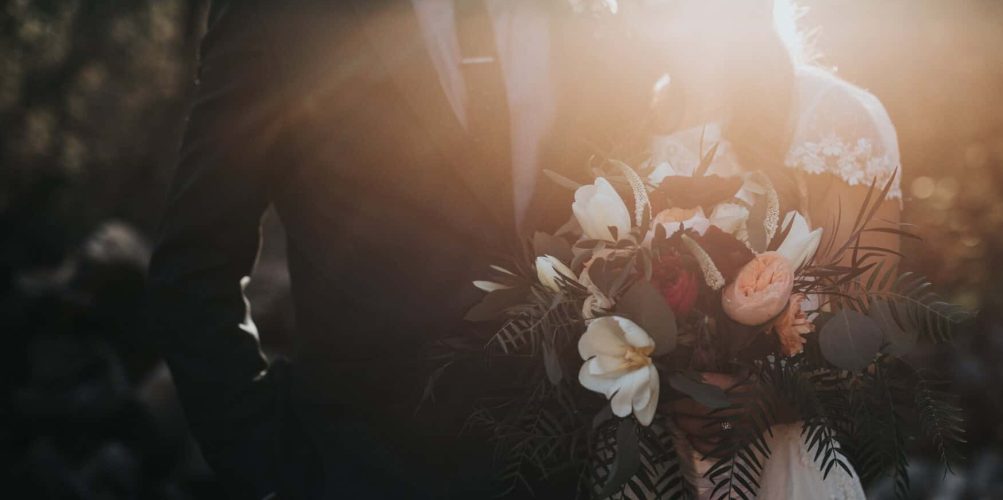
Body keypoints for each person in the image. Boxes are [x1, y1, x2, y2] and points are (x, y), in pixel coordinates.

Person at [147, 0, 588, 497]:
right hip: (361, 471)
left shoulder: (593, 18)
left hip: (570, 475)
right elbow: (193, 267)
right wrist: (269, 466)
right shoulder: (278, 17)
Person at [590, 0, 904, 498]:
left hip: (776, 463)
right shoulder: (626, 122)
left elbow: (868, 331)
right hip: (647, 466)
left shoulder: (831, 115)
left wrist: (762, 400)